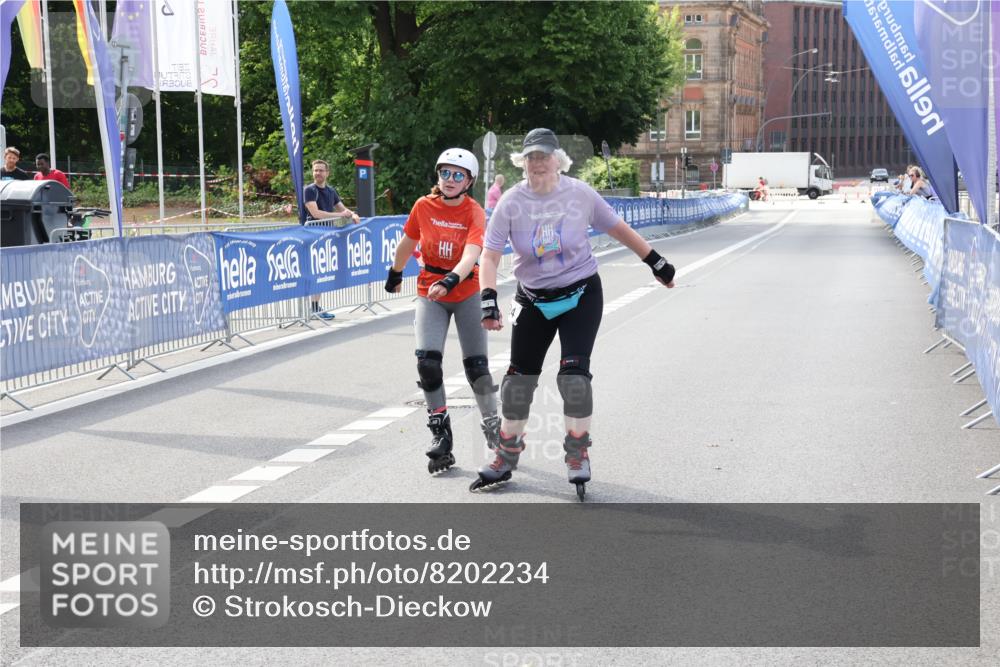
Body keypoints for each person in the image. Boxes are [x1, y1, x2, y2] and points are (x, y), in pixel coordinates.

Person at [474, 128, 676, 499]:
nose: (537, 163)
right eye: (531, 157)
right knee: (518, 384)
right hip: (533, 299)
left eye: (543, 156)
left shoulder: (580, 194)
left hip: (580, 294)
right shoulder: (511, 202)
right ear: (522, 163)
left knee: (574, 379)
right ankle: (505, 454)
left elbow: (619, 229)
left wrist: (656, 262)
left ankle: (577, 451)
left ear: (558, 160)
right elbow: (489, 256)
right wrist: (488, 298)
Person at [384, 148, 500, 474]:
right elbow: (408, 242)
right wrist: (395, 271)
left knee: (476, 367)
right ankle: (441, 435)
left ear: (469, 181)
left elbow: (472, 254)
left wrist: (450, 280)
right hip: (430, 292)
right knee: (428, 364)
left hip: (465, 291)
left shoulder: (474, 211)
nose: (450, 180)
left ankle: (494, 427)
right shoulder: (424, 206)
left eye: (457, 175)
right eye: (445, 173)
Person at [303, 159, 361, 320]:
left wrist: (353, 214)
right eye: (315, 170)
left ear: (327, 173)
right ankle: (308, 309)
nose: (317, 173)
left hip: (326, 237)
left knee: (321, 273)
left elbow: (342, 208)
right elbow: (316, 214)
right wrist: (340, 215)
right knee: (313, 273)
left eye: (321, 170)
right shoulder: (309, 190)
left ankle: (315, 308)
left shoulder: (331, 191)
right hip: (311, 236)